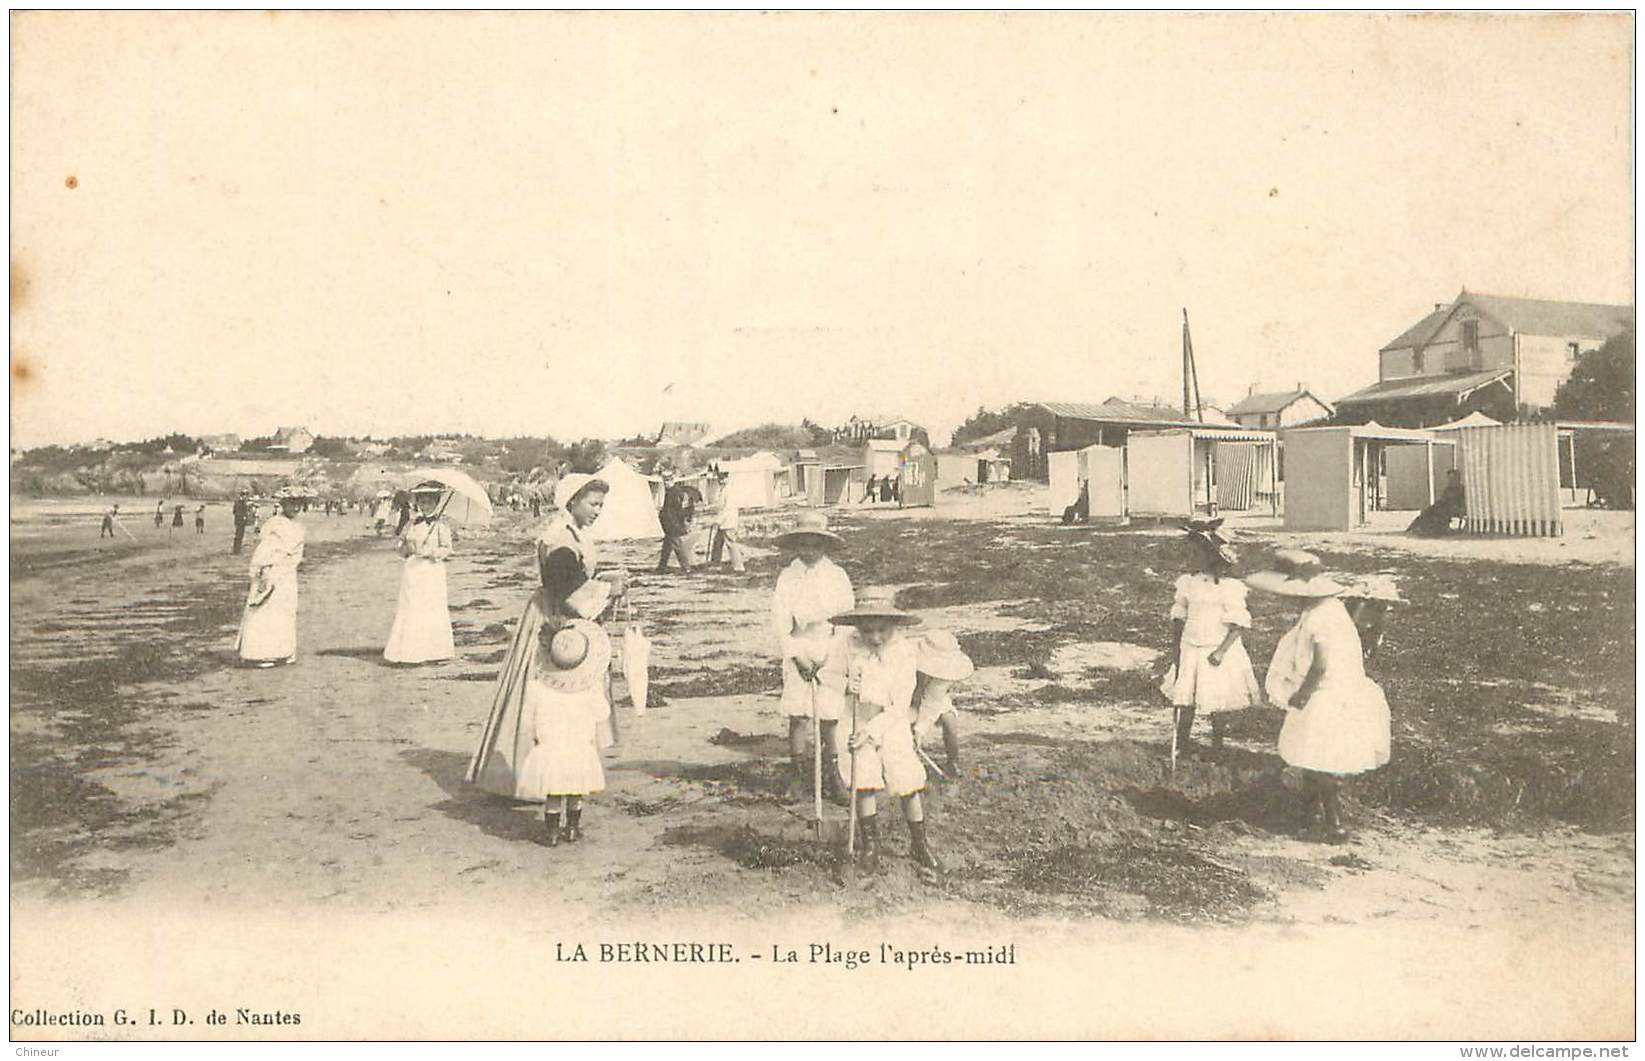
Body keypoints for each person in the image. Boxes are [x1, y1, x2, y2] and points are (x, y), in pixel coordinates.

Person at [467, 479, 626, 800]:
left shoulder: (569, 533)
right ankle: (534, 777)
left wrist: (600, 580)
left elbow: (573, 579)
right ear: (573, 501)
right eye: (593, 504)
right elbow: (567, 592)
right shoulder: (560, 539)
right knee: (553, 692)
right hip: (555, 620)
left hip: (554, 613)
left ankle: (551, 774)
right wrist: (609, 590)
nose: (598, 511)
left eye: (601, 504)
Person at [1249, 549, 1391, 844]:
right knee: (1312, 760)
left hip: (1328, 695)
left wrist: (1303, 693)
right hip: (1337, 690)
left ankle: (1333, 822)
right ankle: (1310, 817)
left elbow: (1322, 664)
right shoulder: (1328, 609)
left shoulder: (1320, 618)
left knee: (1321, 761)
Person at [822, 587, 944, 882]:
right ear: (857, 627)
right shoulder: (845, 645)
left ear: (894, 625)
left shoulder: (903, 652)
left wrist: (872, 731)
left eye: (882, 630)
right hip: (855, 719)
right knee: (863, 782)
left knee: (907, 782)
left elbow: (900, 704)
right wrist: (843, 684)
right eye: (867, 630)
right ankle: (870, 847)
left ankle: (919, 843)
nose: (875, 637)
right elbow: (826, 675)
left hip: (891, 723)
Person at [769, 511, 854, 804]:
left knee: (830, 717)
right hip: (798, 648)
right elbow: (780, 622)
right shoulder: (787, 576)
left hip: (830, 650)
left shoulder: (837, 576)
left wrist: (829, 656)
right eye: (802, 545)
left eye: (814, 545)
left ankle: (834, 775)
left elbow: (846, 622)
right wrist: (796, 655)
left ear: (825, 546)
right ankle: (797, 776)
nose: (808, 551)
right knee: (799, 715)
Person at [1160, 519, 1262, 756]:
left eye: (1196, 553)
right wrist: (1176, 647)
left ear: (1212, 557)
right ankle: (1181, 744)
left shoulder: (1229, 587)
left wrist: (1221, 651)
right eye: (1190, 552)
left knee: (1217, 700)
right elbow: (1179, 615)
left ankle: (1218, 745)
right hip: (1190, 646)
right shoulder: (1188, 583)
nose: (1191, 557)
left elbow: (1239, 624)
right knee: (1184, 697)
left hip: (1215, 649)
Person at [516, 621, 612, 846]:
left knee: (553, 792)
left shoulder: (537, 687)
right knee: (576, 789)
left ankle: (551, 832)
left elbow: (526, 722)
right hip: (579, 748)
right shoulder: (589, 687)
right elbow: (602, 714)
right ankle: (572, 828)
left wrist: (537, 737)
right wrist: (603, 689)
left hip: (550, 749)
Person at [383, 482, 457, 665]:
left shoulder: (441, 525)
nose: (425, 505)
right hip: (413, 571)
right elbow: (400, 547)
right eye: (422, 502)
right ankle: (410, 652)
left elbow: (448, 549)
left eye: (429, 502)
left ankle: (434, 652)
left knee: (431, 608)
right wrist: (405, 548)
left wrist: (432, 553)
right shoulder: (411, 523)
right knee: (411, 608)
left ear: (436, 503)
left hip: (432, 571)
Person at [236, 486, 308, 668]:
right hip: (273, 571)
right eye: (292, 504)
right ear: (283, 504)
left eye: (298, 504)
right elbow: (265, 552)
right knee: (266, 610)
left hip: (288, 575)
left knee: (285, 611)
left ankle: (283, 651)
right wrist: (264, 572)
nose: (296, 508)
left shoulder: (298, 527)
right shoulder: (276, 524)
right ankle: (262, 653)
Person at [912, 629, 974, 779]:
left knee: (949, 719)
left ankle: (953, 761)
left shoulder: (945, 675)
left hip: (933, 699)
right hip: (905, 695)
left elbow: (932, 701)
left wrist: (919, 731)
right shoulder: (907, 661)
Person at [656, 471, 699, 574]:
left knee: (678, 547)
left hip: (673, 524)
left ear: (672, 480)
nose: (666, 483)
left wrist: (670, 518)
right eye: (664, 481)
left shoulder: (675, 492)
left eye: (667, 481)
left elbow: (677, 510)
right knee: (667, 547)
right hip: (669, 523)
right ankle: (662, 567)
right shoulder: (670, 491)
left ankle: (686, 568)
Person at [1407, 469, 1465, 536]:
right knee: (1429, 510)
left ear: (1458, 479)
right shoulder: (1448, 489)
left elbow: (1460, 502)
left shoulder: (1461, 489)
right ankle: (1417, 527)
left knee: (1439, 511)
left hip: (1454, 508)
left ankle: (1437, 528)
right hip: (1445, 507)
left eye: (1453, 478)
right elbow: (1443, 499)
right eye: (1449, 479)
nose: (1451, 481)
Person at [708, 488, 746, 574]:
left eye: (723, 477)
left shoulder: (729, 490)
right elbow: (720, 507)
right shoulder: (723, 489)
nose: (721, 479)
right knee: (717, 543)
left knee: (731, 544)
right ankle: (715, 564)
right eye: (719, 476)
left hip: (728, 522)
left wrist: (717, 521)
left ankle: (739, 567)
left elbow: (727, 510)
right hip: (724, 522)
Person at [232, 489, 252, 554]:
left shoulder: (241, 502)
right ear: (243, 495)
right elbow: (236, 512)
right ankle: (236, 550)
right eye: (245, 495)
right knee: (239, 535)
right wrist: (242, 517)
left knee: (239, 535)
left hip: (240, 521)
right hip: (240, 521)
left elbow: (235, 511)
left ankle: (237, 549)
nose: (246, 497)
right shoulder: (239, 502)